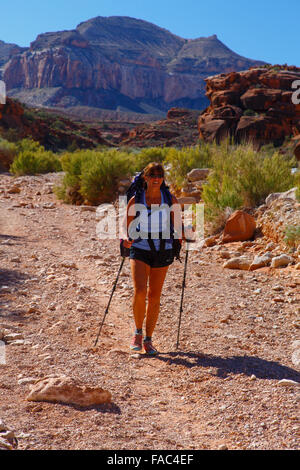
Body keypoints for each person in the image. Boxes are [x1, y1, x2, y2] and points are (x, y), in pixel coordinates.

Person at [122, 162, 186, 355]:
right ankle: (137, 333)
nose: (156, 178)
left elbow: (178, 225)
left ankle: (149, 340)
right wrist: (126, 239)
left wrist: (182, 236)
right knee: (140, 291)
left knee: (154, 296)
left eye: (159, 175)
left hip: (163, 249)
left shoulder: (170, 199)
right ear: (146, 178)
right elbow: (127, 227)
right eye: (152, 175)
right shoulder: (136, 199)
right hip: (140, 247)